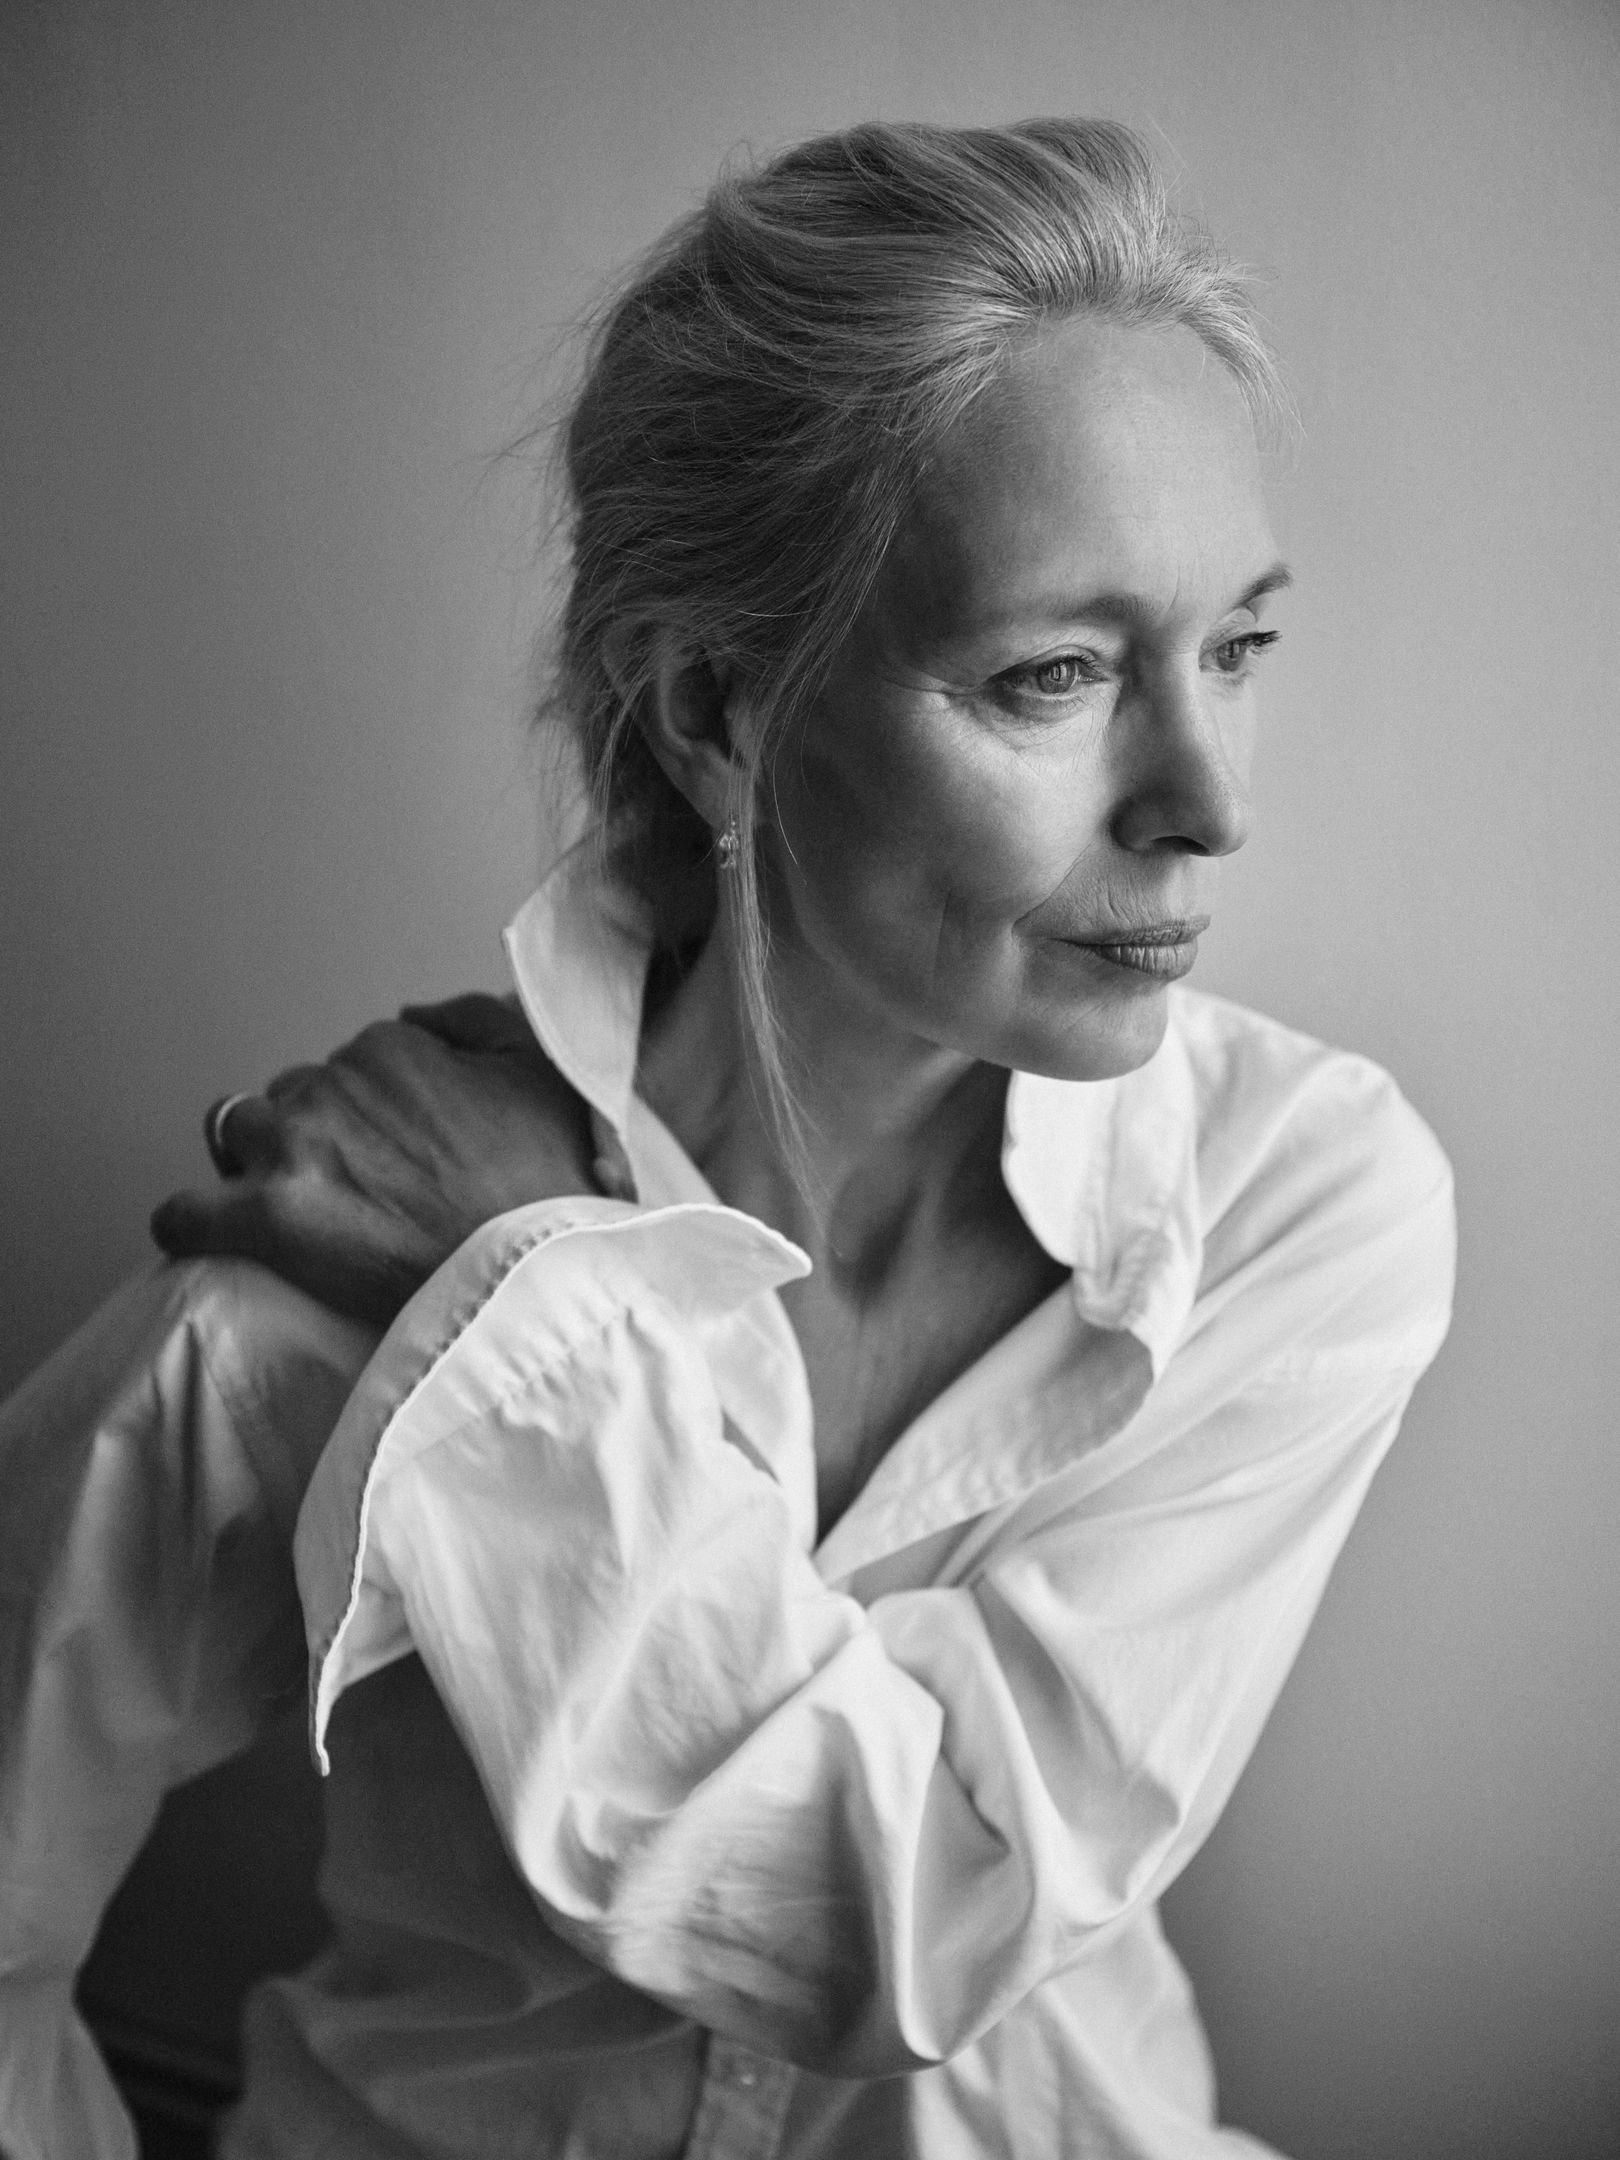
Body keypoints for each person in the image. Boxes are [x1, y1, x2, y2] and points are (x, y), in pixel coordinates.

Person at [0, 118, 1455, 2159]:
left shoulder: (1303, 1200)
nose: (1209, 804)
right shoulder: (337, 1233)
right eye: (1054, 675)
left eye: (1237, 648)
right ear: (712, 711)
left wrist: (510, 1310)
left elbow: (912, 1930)